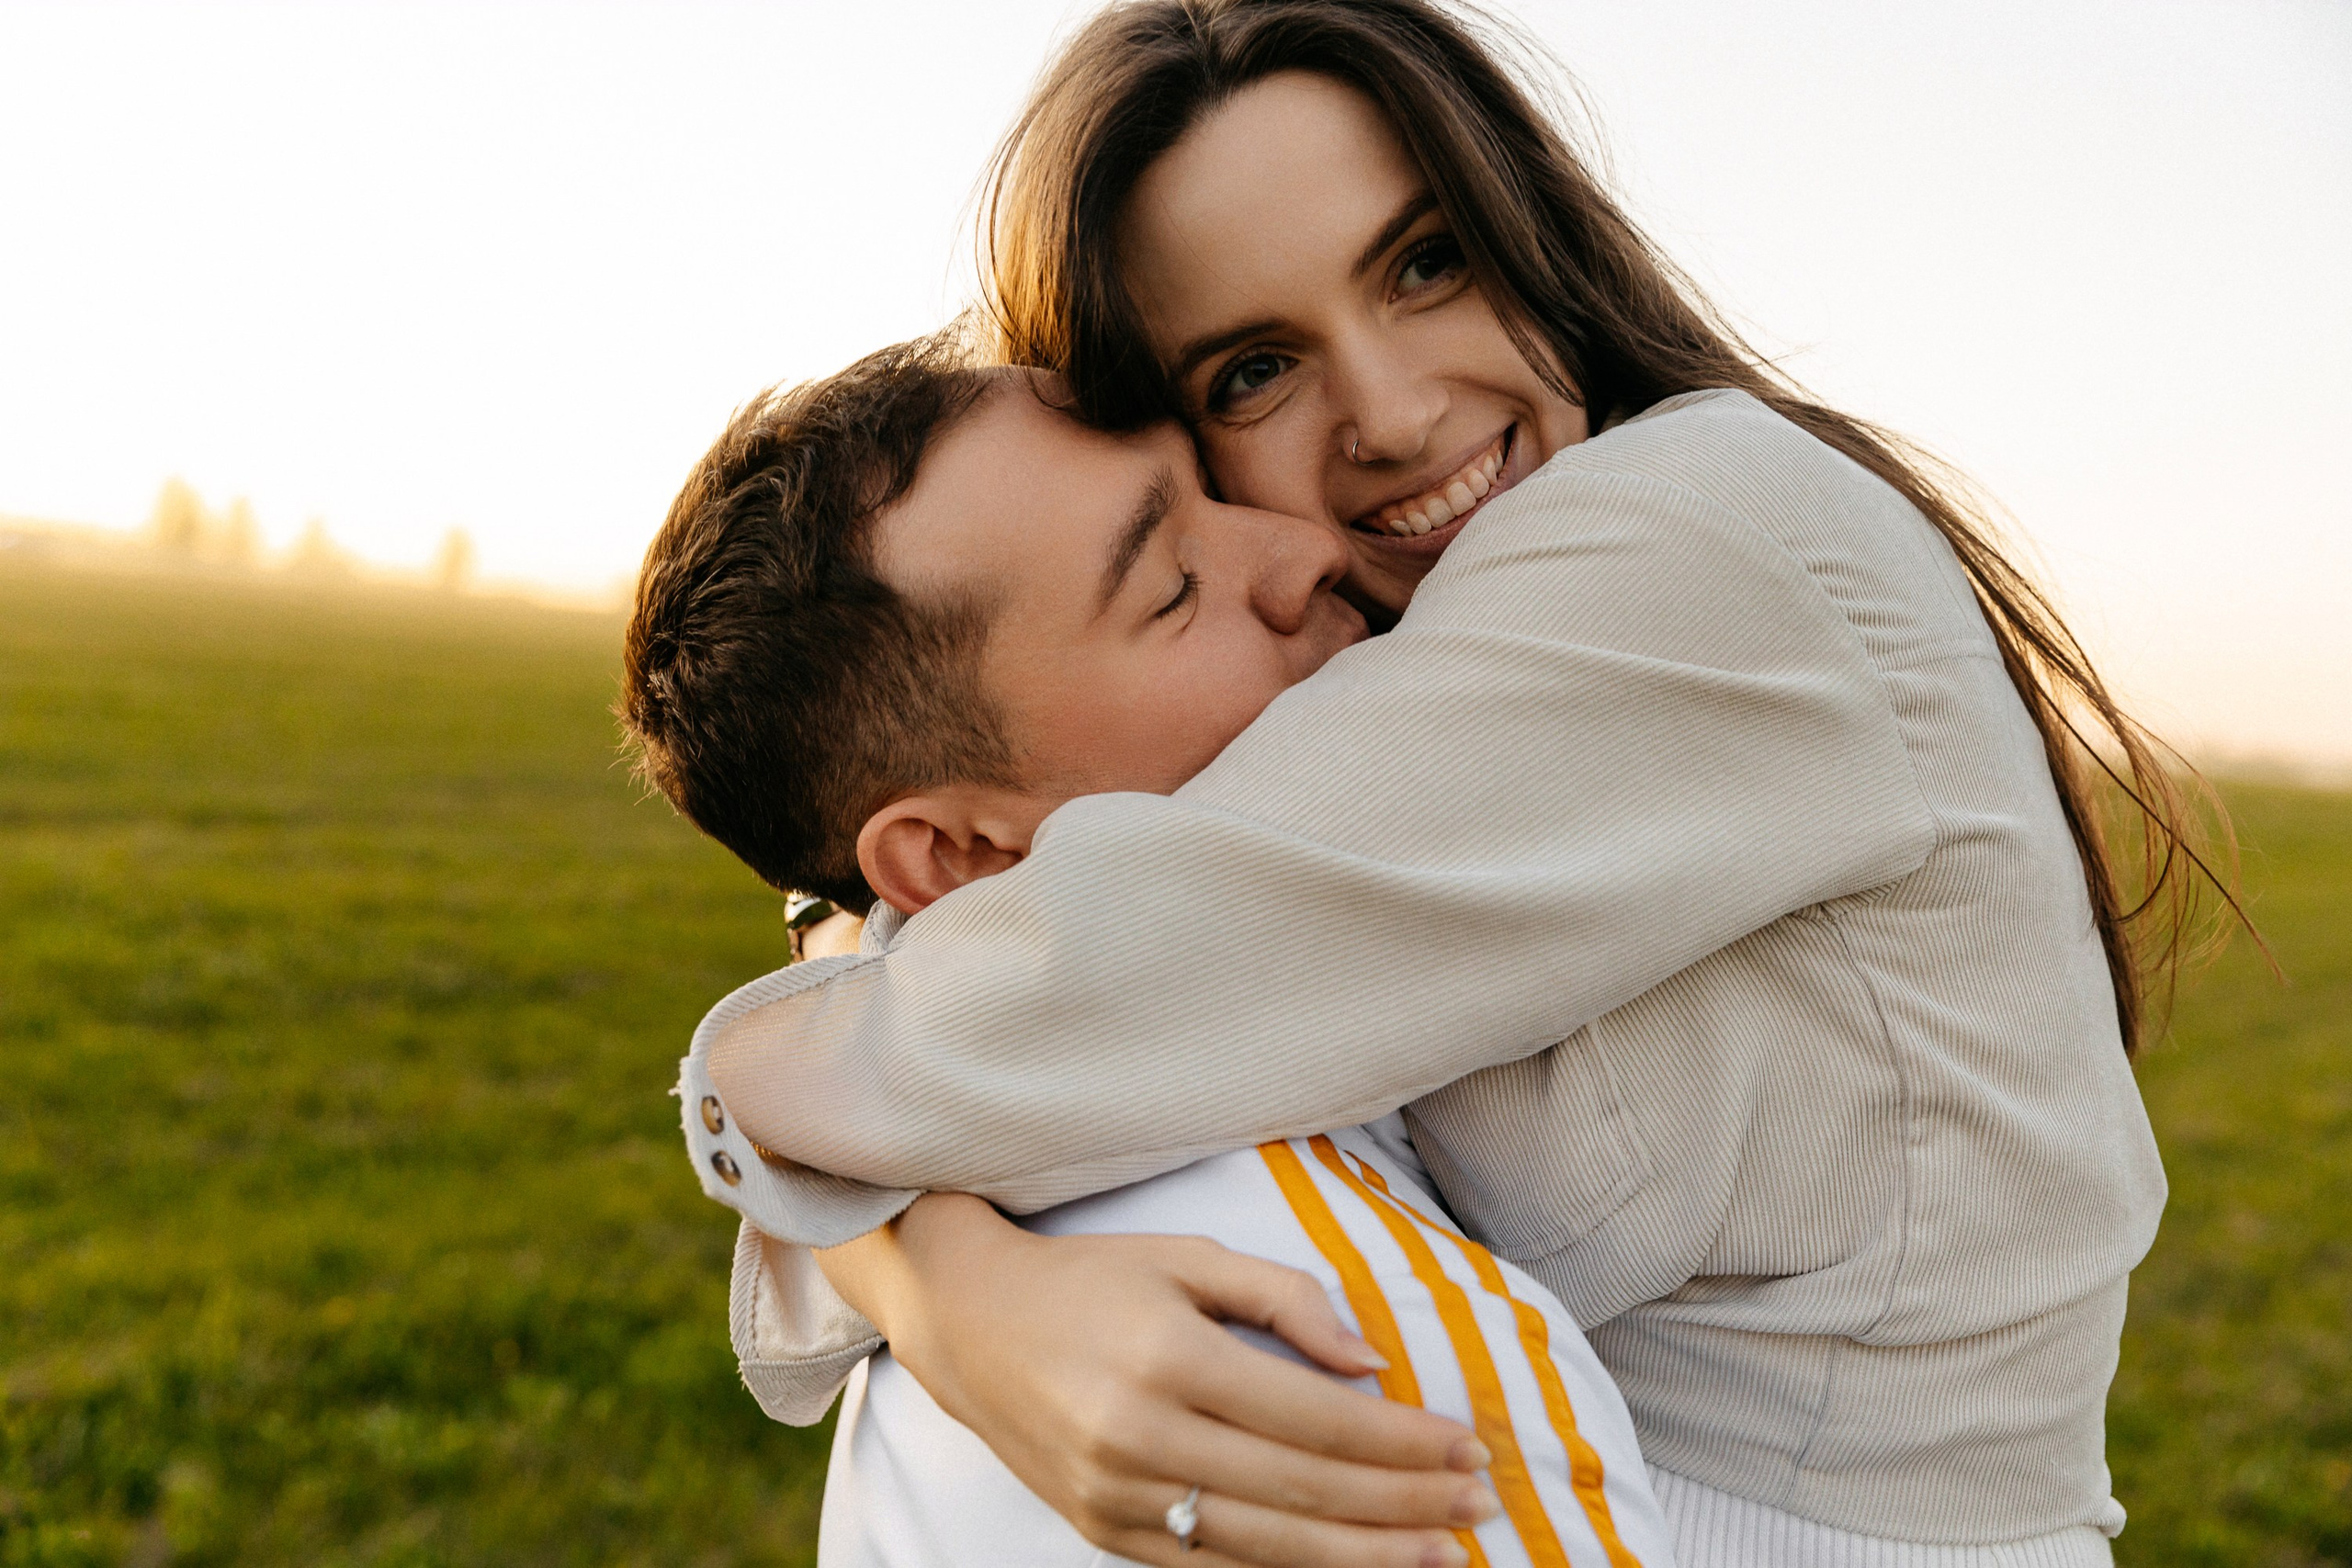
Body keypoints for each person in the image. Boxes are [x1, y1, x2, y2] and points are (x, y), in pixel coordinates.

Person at [643, 4, 2230, 1565]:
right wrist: (938, 1277)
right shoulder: (1377, 678)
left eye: (1424, 263)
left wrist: (927, 1271)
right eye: (1254, 371)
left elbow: (1047, 1002)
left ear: (1529, 227)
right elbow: (997, 942)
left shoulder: (1687, 537)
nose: (1395, 417)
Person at [624, 339, 1679, 1568]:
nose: (1307, 551)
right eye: (1175, 583)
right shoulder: (1315, 1354)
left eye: (1216, 490)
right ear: (960, 853)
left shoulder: (978, 1193)